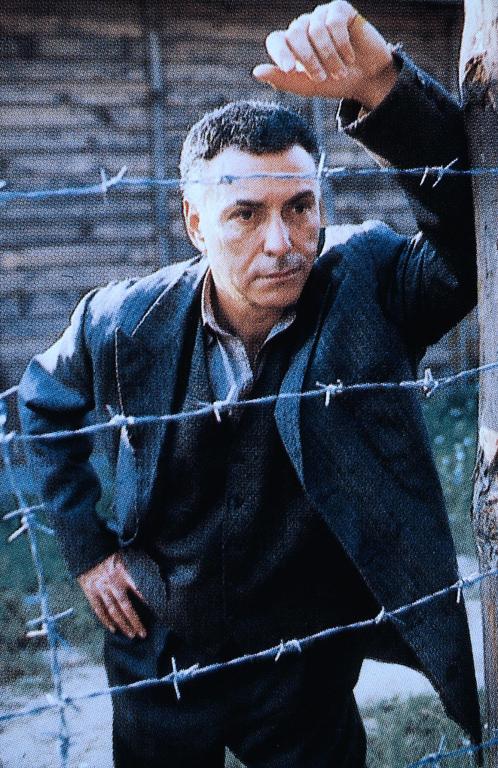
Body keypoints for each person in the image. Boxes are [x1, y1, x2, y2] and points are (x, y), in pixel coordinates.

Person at [18, 2, 481, 766]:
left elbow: (472, 242)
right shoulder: (123, 320)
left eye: (300, 207)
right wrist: (88, 549)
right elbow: (42, 403)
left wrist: (385, 89)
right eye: (245, 214)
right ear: (195, 223)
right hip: (161, 646)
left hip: (304, 655)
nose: (281, 243)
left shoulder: (367, 282)